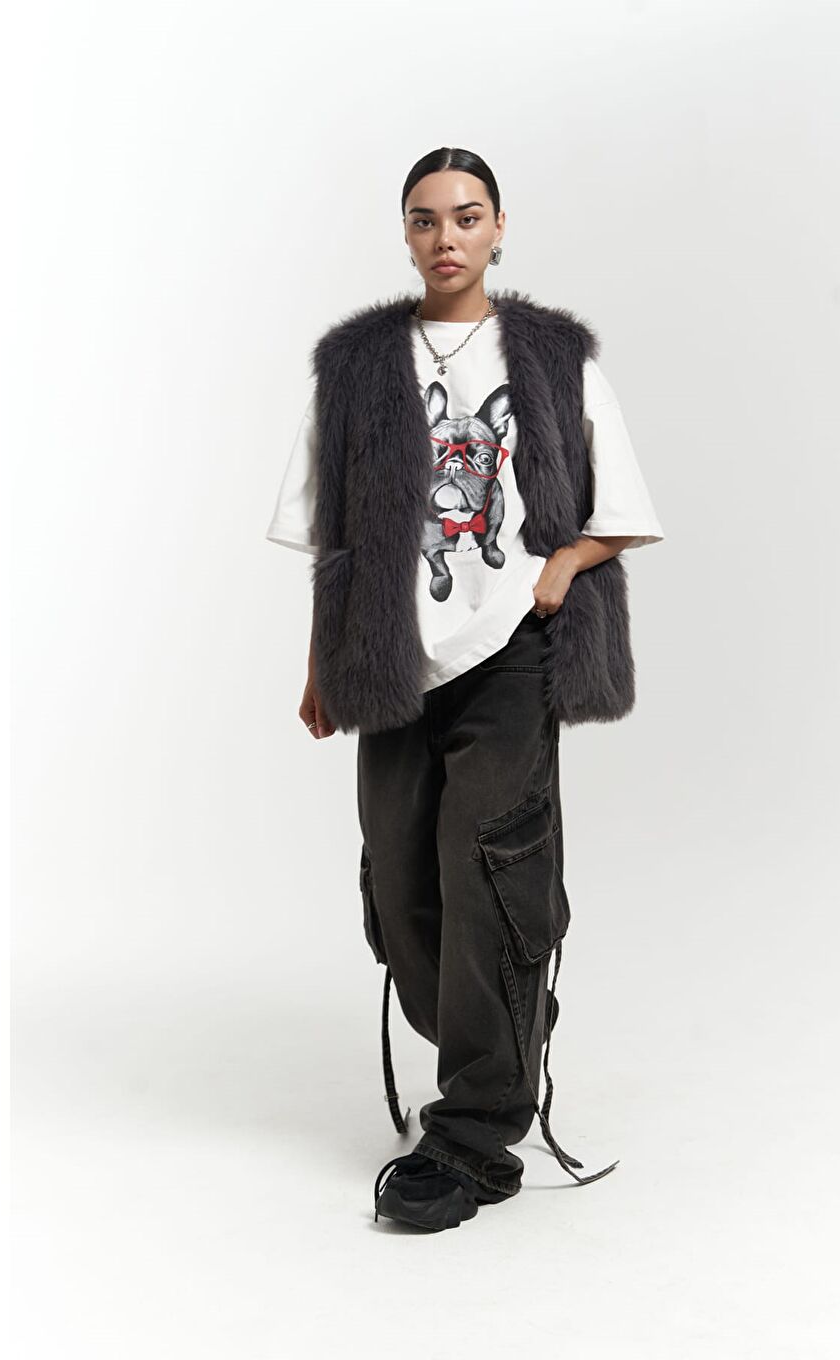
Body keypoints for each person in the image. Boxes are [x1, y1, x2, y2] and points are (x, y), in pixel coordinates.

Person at [266, 147, 664, 1231]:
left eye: (467, 215)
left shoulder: (552, 355)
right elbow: (332, 533)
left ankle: (476, 1134)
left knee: (486, 866)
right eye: (425, 218)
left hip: (511, 652)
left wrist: (561, 568)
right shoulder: (358, 365)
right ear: (405, 234)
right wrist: (321, 660)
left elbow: (621, 507)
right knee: (401, 889)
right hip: (392, 657)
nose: (447, 236)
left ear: (499, 228)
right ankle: (504, 1034)